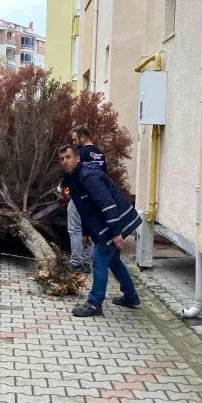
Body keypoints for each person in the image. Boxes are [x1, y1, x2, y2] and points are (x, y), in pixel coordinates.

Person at [59, 145, 142, 317]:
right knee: (113, 261)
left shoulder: (89, 177)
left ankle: (94, 304)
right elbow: (84, 209)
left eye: (68, 157)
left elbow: (107, 203)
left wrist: (116, 232)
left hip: (118, 221)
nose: (65, 162)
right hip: (107, 225)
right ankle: (131, 297)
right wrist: (85, 233)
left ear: (77, 158)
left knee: (98, 261)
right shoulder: (74, 179)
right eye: (62, 159)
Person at [63, 125, 107, 273]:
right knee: (89, 227)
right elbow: (104, 176)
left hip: (81, 195)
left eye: (75, 139)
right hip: (96, 197)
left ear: (83, 137)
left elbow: (72, 174)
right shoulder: (100, 154)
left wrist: (62, 188)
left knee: (75, 228)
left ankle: (75, 262)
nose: (73, 142)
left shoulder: (80, 153)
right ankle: (86, 263)